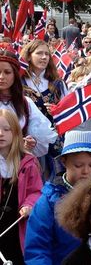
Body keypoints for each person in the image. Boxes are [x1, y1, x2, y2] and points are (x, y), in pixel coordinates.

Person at [24, 130, 91, 264]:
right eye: (78, 165)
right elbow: (37, 249)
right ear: (64, 162)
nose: (86, 171)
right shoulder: (49, 200)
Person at [0, 109, 43, 264]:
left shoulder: (27, 162)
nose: (1, 133)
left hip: (16, 226)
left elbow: (36, 190)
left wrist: (29, 205)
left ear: (16, 133)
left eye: (6, 129)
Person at [0, 47, 57, 158]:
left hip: (17, 165)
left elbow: (40, 135)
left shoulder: (25, 103)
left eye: (7, 72)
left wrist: (31, 142)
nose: (1, 77)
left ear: (15, 75)